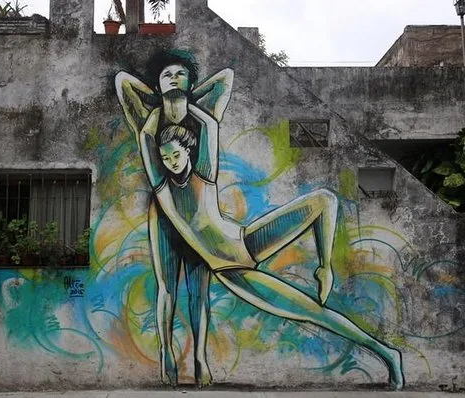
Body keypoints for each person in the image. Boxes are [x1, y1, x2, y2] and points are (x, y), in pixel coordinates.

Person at [138, 99, 405, 390]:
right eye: (165, 158)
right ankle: (388, 354)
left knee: (323, 200)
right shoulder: (162, 190)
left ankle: (324, 268)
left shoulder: (204, 174)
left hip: (246, 241)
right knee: (312, 311)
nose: (171, 162)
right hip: (231, 271)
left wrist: (181, 101)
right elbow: (145, 135)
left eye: (175, 155)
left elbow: (209, 125)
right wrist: (159, 109)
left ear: (189, 150)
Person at [115, 50, 233, 386]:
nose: (174, 78)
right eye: (167, 75)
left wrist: (188, 97)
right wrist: (159, 100)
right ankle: (166, 350)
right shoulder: (149, 120)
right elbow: (123, 82)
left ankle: (200, 358)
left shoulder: (204, 117)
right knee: (167, 288)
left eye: (181, 74)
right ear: (157, 83)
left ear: (191, 82)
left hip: (197, 218)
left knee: (199, 292)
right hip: (165, 215)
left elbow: (226, 78)